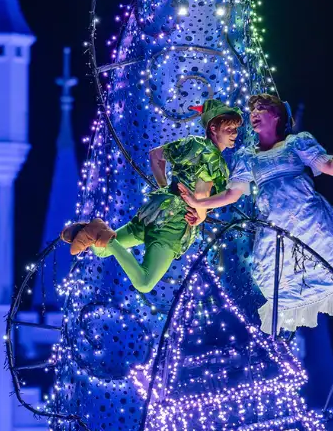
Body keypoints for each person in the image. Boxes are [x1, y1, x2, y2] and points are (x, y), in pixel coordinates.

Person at [180, 94, 333, 332]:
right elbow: (231, 194)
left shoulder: (296, 143)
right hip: (276, 226)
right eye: (252, 110)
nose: (254, 114)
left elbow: (328, 168)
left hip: (310, 218)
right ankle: (285, 342)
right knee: (277, 280)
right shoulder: (247, 156)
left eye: (260, 109)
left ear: (276, 115)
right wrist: (198, 203)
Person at [60, 99, 243, 292]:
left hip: (155, 209)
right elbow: (199, 193)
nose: (235, 134)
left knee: (101, 250)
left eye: (235, 129)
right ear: (213, 128)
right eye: (229, 129)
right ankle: (105, 236)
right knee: (144, 283)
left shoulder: (191, 143)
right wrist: (201, 215)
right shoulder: (214, 159)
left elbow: (156, 155)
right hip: (174, 223)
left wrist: (165, 190)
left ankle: (94, 230)